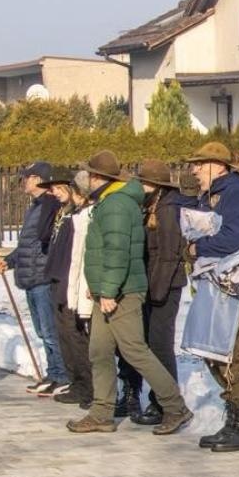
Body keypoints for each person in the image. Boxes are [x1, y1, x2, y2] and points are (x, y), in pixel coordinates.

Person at [68, 151, 194, 436]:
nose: (86, 178)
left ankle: (175, 407)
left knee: (135, 350)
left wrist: (109, 289)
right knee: (99, 351)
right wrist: (98, 286)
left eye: (89, 173)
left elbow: (117, 251)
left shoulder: (116, 204)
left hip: (121, 292)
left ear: (98, 177)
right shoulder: (109, 201)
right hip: (108, 291)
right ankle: (101, 413)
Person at [187, 142, 239, 452]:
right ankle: (232, 418)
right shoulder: (209, 195)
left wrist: (198, 247)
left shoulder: (235, 192)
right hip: (213, 284)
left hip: (234, 285)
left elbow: (232, 238)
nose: (193, 170)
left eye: (199, 164)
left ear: (217, 166)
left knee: (231, 353)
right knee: (212, 351)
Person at [126, 159, 190, 428]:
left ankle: (167, 403)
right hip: (153, 284)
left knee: (160, 345)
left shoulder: (168, 209)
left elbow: (168, 254)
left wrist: (157, 291)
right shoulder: (152, 205)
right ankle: (158, 399)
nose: (140, 187)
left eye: (144, 182)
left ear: (155, 185)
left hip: (165, 286)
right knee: (152, 344)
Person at [0, 162, 69, 396]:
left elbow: (45, 241)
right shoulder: (35, 207)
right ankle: (53, 373)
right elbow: (28, 244)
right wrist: (10, 260)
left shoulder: (49, 205)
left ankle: (62, 375)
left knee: (50, 331)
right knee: (42, 331)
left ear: (38, 179)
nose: (24, 182)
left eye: (27, 177)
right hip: (30, 276)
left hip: (42, 277)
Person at [40, 167, 93, 408]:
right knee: (64, 336)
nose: (54, 192)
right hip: (57, 278)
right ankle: (76, 383)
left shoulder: (82, 215)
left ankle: (88, 386)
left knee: (75, 336)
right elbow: (44, 235)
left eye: (59, 187)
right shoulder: (62, 212)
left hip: (71, 280)